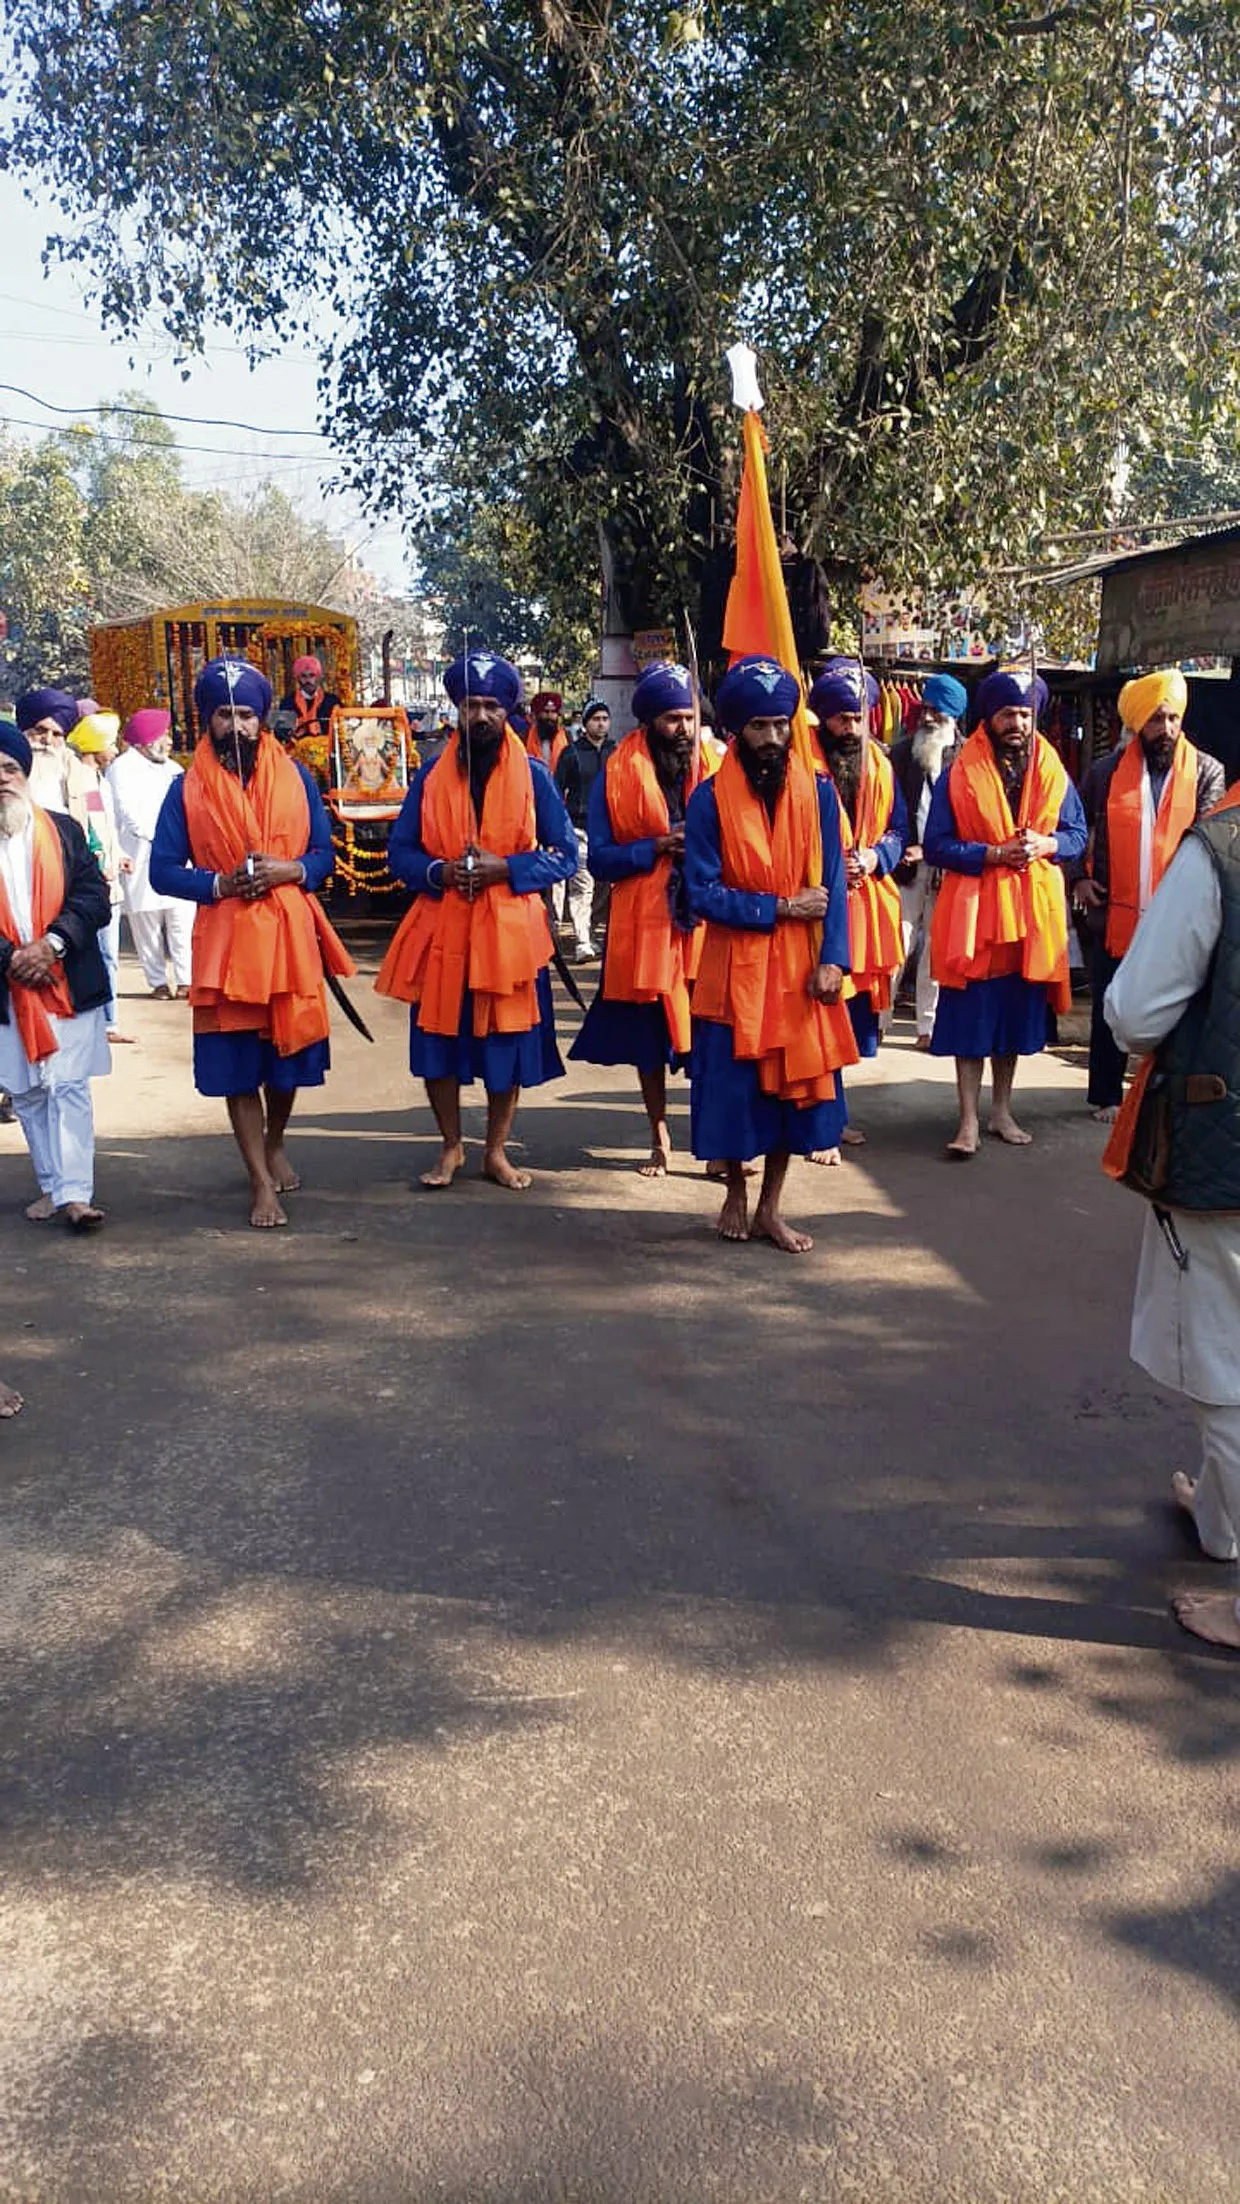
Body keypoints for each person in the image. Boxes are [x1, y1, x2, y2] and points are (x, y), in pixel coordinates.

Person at [1103, 781, 1240, 1649]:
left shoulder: (1219, 852)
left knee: (1228, 1374)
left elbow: (1132, 1011)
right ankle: (1223, 1528)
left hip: (1224, 1150)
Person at [149, 657, 352, 1229]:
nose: (235, 727)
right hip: (226, 945)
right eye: (223, 715)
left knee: (286, 1060)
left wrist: (291, 870)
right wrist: (216, 882)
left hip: (289, 940)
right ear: (206, 721)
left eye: (245, 715)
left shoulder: (299, 779)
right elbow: (163, 871)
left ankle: (275, 1140)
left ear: (262, 720)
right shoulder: (183, 790)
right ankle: (260, 1182)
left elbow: (324, 859)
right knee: (238, 1067)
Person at [378, 648, 578, 1191]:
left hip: (511, 935)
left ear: (509, 712)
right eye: (471, 705)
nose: (482, 717)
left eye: (492, 706)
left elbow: (565, 855)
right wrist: (439, 871)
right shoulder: (428, 777)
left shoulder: (536, 775)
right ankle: (450, 1147)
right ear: (456, 711)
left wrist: (506, 868)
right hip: (442, 928)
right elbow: (401, 853)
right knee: (437, 1045)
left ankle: (495, 1151)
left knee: (504, 1047)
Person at [685, 654, 858, 1253]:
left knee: (792, 1094)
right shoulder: (707, 801)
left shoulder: (819, 794)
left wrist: (835, 957)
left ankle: (771, 1208)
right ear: (736, 732)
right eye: (759, 727)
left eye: (781, 725)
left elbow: (833, 882)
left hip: (802, 967)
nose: (772, 738)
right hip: (734, 968)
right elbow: (701, 893)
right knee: (734, 1094)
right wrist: (778, 908)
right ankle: (734, 1188)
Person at [926, 666, 1086, 1158]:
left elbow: (1078, 837)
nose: (1017, 723)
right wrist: (992, 855)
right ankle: (968, 1120)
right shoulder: (959, 771)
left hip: (1031, 916)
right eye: (1007, 715)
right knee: (973, 1020)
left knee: (1014, 1018)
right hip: (975, 917)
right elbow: (936, 845)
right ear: (989, 720)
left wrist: (1046, 843)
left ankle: (1002, 1111)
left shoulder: (1054, 769)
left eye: (1024, 714)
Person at [1072, 668, 1223, 1123]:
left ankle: (1164, 1093)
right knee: (1110, 1003)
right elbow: (1077, 829)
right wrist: (1078, 877)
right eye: (1157, 720)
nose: (1167, 730)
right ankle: (1106, 1095)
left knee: (1180, 1004)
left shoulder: (1206, 771)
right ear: (1138, 723)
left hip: (1179, 914)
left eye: (1174, 719)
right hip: (1114, 912)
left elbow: (1215, 837)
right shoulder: (1105, 772)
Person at [570, 663, 703, 1174]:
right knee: (651, 1042)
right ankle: (659, 1135)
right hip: (643, 925)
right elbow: (600, 859)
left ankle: (711, 1139)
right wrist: (655, 846)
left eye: (688, 718)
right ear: (648, 721)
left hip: (703, 923)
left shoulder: (711, 766)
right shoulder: (616, 773)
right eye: (672, 719)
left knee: (709, 1036)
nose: (683, 729)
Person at [0, 718, 111, 1231]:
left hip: (66, 976)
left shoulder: (63, 828)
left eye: (10, 768)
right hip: (7, 988)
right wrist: (12, 958)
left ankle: (75, 1195)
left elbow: (93, 898)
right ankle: (51, 1184)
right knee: (25, 1091)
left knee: (67, 1086)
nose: (2, 779)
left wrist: (52, 944)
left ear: (26, 772)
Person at [806, 658, 908, 1155]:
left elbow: (900, 832)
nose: (851, 727)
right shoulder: (800, 765)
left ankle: (834, 1113)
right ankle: (821, 1123)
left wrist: (873, 857)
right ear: (821, 717)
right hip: (816, 910)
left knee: (848, 1020)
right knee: (819, 1015)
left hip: (867, 908)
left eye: (859, 716)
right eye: (842, 718)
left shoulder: (882, 764)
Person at [889, 673, 967, 1048]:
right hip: (906, 866)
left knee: (935, 948)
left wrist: (937, 850)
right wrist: (907, 845)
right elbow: (892, 808)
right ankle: (879, 1022)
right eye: (927, 709)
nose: (929, 717)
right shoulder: (902, 753)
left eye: (938, 711)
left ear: (954, 716)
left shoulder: (967, 757)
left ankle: (927, 1028)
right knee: (896, 945)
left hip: (948, 867)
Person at [109, 708, 196, 1001]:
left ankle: (186, 980)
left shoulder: (174, 770)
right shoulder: (121, 769)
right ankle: (158, 981)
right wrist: (159, 837)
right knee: (147, 925)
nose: (169, 741)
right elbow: (126, 812)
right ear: (146, 740)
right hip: (140, 855)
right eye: (163, 735)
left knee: (181, 919)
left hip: (178, 856)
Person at [66, 710, 131, 1042]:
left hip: (108, 876)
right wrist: (100, 862)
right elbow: (89, 829)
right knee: (105, 954)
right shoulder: (84, 781)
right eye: (111, 744)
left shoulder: (98, 780)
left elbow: (104, 828)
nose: (116, 751)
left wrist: (117, 854)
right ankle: (107, 1022)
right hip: (98, 882)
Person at [555, 696, 616, 960]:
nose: (601, 724)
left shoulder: (618, 753)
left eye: (605, 719)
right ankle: (582, 941)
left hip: (612, 832)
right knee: (582, 887)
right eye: (596, 719)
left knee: (605, 886)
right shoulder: (571, 754)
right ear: (585, 723)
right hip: (579, 829)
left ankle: (591, 933)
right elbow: (557, 792)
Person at [15, 687, 78, 813]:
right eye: (40, 731)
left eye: (56, 734)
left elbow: (96, 816)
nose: (47, 740)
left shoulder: (80, 771)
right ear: (25, 730)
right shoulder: (8, 767)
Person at [280, 654, 341, 740]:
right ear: (298, 678)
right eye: (304, 676)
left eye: (312, 675)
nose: (308, 680)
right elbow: (281, 733)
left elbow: (340, 729)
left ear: (318, 677)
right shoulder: (288, 703)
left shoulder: (331, 701)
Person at [526, 691, 569, 776]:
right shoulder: (525, 736)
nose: (550, 716)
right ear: (537, 714)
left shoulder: (567, 737)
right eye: (546, 712)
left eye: (553, 712)